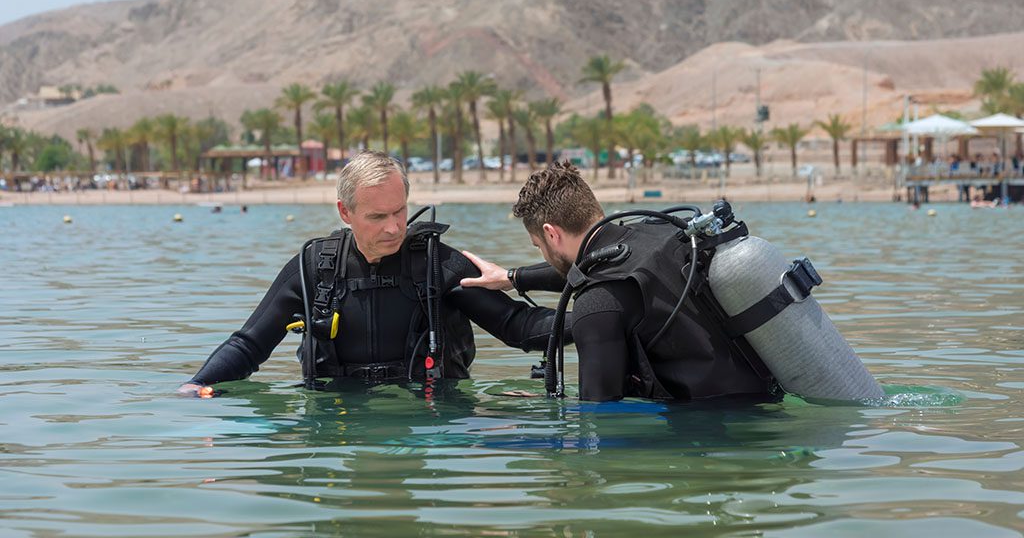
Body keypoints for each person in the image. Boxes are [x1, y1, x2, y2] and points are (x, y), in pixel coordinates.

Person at [179, 150, 561, 396]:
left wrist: (605, 319)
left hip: (431, 423)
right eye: (377, 217)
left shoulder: (436, 264)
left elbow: (519, 326)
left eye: (399, 211)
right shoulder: (316, 268)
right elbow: (249, 345)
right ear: (345, 212)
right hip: (338, 423)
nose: (395, 227)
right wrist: (197, 384)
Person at [461, 162, 774, 402]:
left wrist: (542, 409)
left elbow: (599, 417)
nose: (542, 253)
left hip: (715, 432)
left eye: (538, 246)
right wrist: (512, 278)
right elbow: (595, 269)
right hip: (765, 394)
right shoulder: (662, 233)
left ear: (551, 233)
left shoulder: (595, 306)